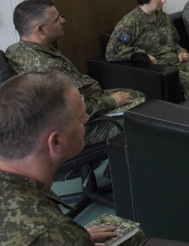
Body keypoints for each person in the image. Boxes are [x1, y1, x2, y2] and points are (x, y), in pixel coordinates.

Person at [0, 71, 146, 245]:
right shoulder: (54, 232)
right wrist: (70, 238)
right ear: (56, 141)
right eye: (79, 119)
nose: (86, 119)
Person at [6, 0, 144, 145]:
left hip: (86, 100)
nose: (62, 20)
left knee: (137, 96)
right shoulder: (45, 67)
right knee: (141, 114)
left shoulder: (18, 49)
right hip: (79, 126)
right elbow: (71, 111)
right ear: (40, 29)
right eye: (56, 19)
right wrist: (110, 101)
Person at [106, 0, 189, 99]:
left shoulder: (163, 17)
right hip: (161, 68)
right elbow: (112, 53)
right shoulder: (130, 23)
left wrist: (182, 51)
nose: (164, 0)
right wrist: (143, 55)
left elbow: (175, 42)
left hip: (177, 61)